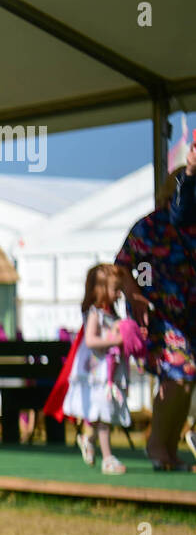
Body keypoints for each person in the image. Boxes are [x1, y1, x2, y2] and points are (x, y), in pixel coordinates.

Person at [116, 165, 196, 471]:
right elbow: (122, 267)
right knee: (180, 372)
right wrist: (136, 296)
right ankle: (157, 446)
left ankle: (169, 450)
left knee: (185, 382)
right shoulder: (150, 226)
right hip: (157, 316)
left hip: (189, 318)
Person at [64, 266, 130, 475]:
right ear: (101, 289)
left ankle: (88, 439)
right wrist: (115, 341)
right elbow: (91, 340)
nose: (119, 294)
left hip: (110, 371)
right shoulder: (96, 314)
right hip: (97, 372)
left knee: (103, 412)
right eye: (115, 289)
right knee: (103, 416)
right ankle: (108, 457)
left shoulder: (113, 314)